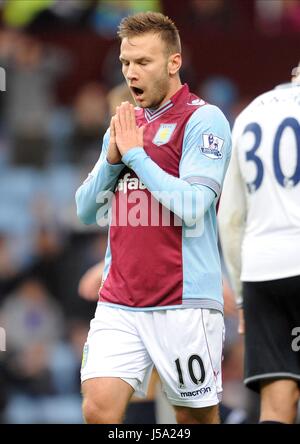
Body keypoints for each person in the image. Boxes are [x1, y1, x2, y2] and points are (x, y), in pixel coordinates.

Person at [75, 11, 231, 424]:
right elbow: (85, 210)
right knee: (97, 410)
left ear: (173, 62)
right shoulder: (125, 125)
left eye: (143, 62)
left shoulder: (204, 119)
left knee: (193, 420)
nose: (131, 73)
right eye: (126, 63)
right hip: (119, 300)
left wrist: (136, 157)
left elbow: (196, 205)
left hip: (182, 303)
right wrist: (112, 161)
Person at [218, 63, 300, 424]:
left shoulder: (250, 113)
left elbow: (230, 218)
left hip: (261, 272)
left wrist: (241, 295)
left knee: (277, 401)